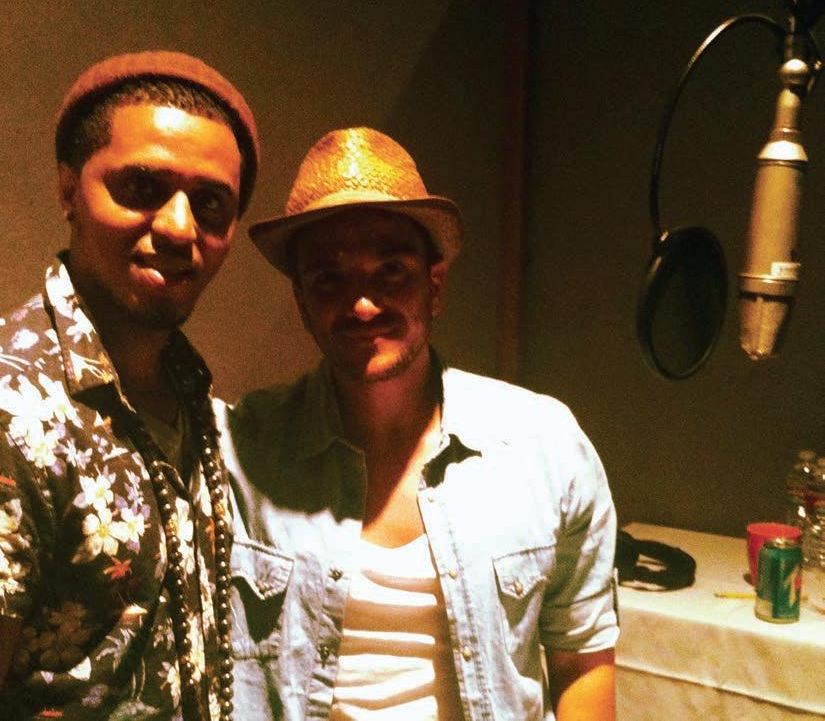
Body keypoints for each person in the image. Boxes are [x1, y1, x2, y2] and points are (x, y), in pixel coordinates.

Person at [219, 127, 618, 720]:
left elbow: (581, 661)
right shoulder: (242, 451)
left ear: (435, 284)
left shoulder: (544, 445)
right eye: (329, 277)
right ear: (302, 300)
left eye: (391, 270)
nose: (362, 304)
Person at [0, 51, 259, 720]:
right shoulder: (12, 407)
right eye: (142, 186)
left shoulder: (198, 406)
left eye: (210, 204)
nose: (178, 227)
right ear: (69, 191)